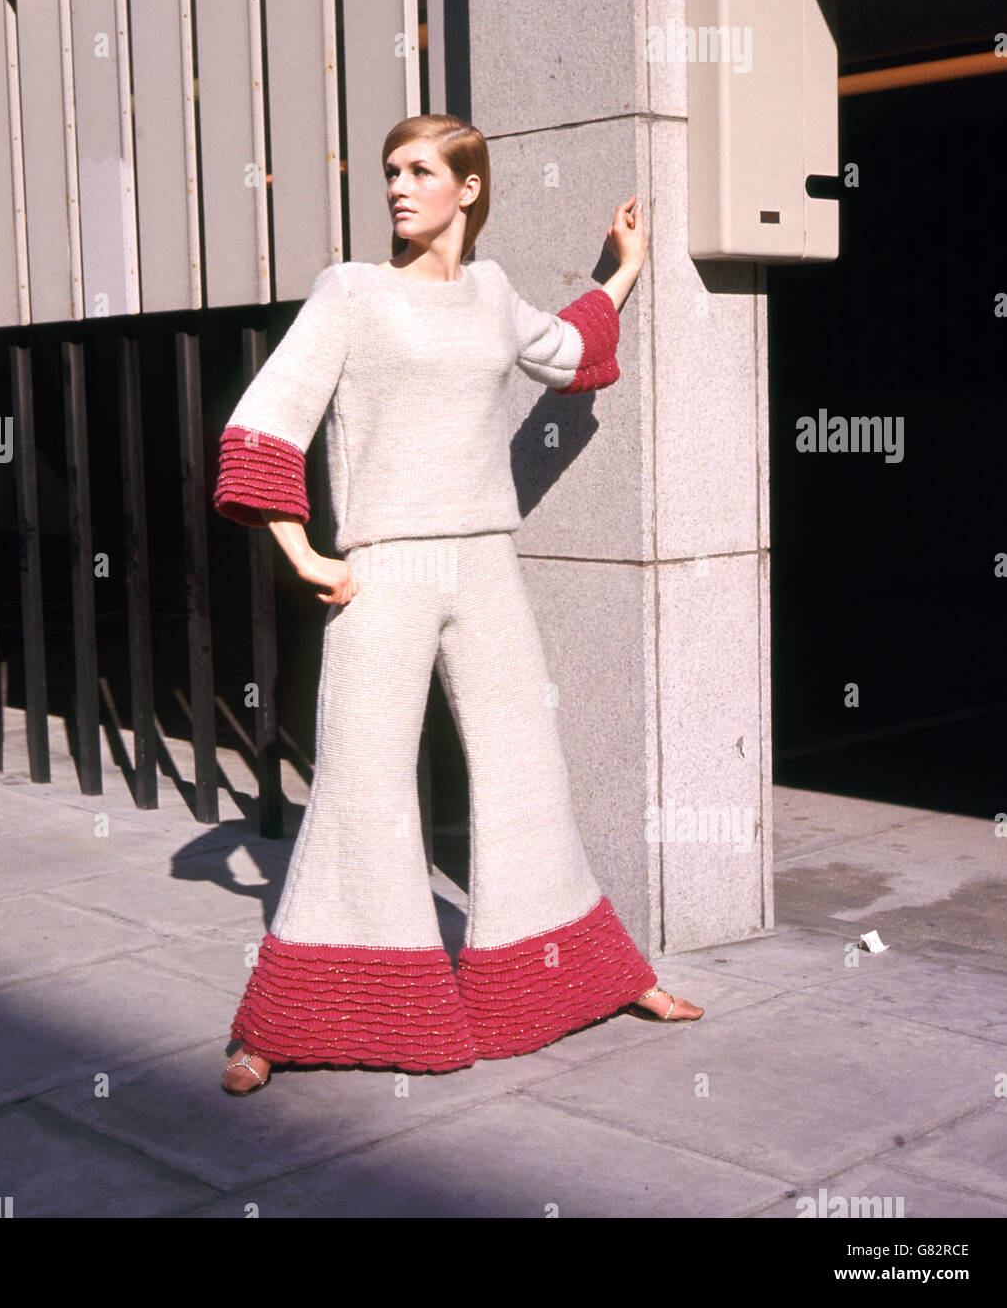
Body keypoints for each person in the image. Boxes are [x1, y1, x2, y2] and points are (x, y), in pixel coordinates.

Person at [214, 114, 703, 1096]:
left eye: (420, 170)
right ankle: (286, 1020)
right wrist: (299, 549)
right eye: (390, 171)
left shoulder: (489, 294)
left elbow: (566, 352)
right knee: (359, 781)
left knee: (525, 768)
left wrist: (623, 268)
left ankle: (587, 978)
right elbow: (265, 416)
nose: (397, 186)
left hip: (485, 564)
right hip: (381, 567)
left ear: (467, 189)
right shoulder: (349, 292)